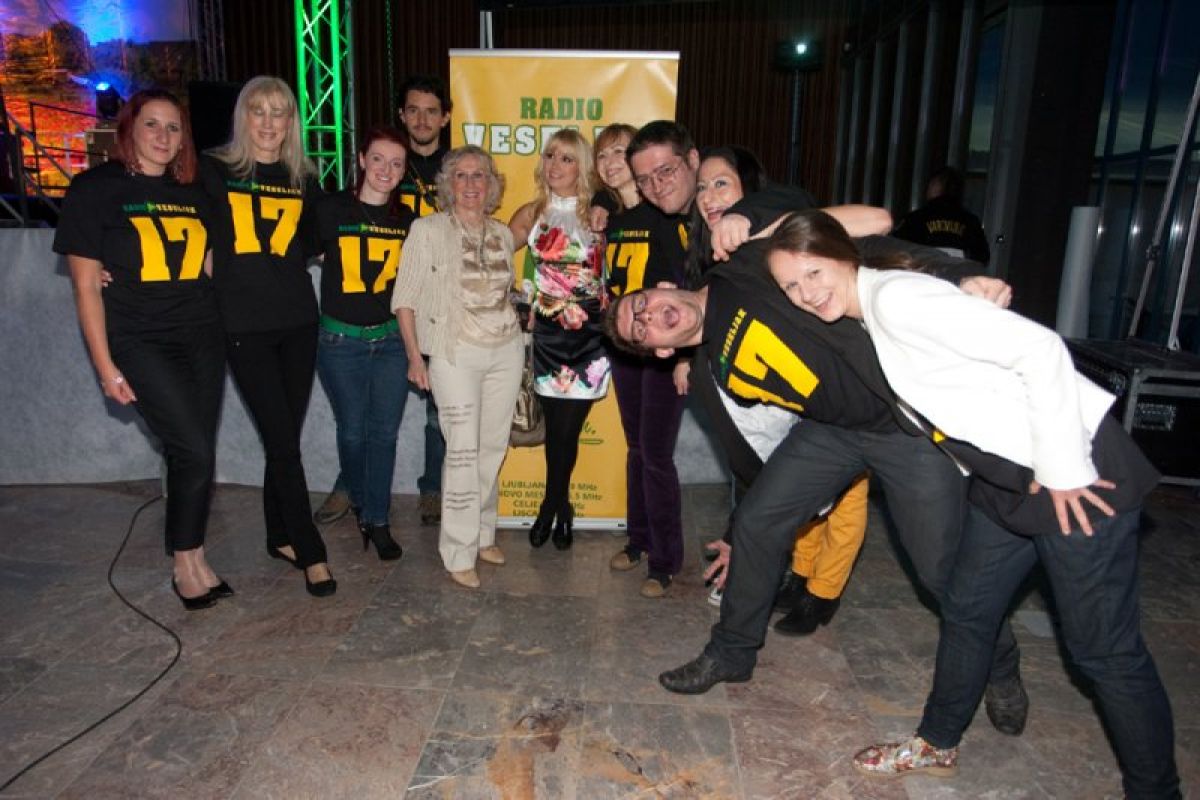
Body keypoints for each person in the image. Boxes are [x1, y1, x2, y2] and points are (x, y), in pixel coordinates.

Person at [765, 210, 1178, 797]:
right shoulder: (874, 312)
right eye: (791, 286)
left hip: (1075, 476)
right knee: (966, 607)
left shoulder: (897, 300)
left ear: (843, 254)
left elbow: (1040, 349)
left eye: (813, 272)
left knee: (1104, 653)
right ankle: (937, 741)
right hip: (1005, 481)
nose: (806, 293)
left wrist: (1063, 469)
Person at [604, 240, 1032, 738]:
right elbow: (745, 454)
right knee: (758, 522)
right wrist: (737, 534)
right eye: (642, 328)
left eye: (642, 304)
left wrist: (956, 275)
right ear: (661, 349)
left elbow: (855, 247)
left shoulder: (739, 270)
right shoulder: (708, 375)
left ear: (661, 287)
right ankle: (732, 652)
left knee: (941, 571)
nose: (650, 315)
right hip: (830, 432)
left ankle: (1001, 664)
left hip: (902, 425)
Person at [55, 89, 230, 610]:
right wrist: (105, 366)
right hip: (140, 339)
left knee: (194, 451)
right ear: (129, 128)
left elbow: (212, 264)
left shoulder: (195, 189)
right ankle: (183, 564)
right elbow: (86, 287)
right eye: (152, 124)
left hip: (202, 335)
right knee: (193, 449)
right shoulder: (95, 189)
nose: (163, 136)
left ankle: (194, 555)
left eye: (173, 128)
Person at [690, 145, 871, 633]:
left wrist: (748, 218)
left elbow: (803, 201)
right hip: (786, 395)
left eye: (722, 183)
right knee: (803, 495)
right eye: (702, 187)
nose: (709, 196)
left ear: (749, 188)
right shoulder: (714, 247)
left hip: (842, 382)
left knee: (848, 498)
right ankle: (802, 575)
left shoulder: (775, 229)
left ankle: (824, 593)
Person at [200, 75, 335, 597]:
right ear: (243, 116)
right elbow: (190, 237)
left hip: (299, 322)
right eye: (258, 111)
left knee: (284, 439)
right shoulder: (215, 171)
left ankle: (279, 534)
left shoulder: (304, 178)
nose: (269, 122)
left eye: (279, 112)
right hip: (245, 326)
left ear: (291, 122)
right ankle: (311, 550)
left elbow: (322, 240)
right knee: (281, 440)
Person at [313, 75, 453, 527]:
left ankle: (430, 488)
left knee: (433, 413)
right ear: (401, 115)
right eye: (413, 110)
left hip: (429, 308)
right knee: (357, 426)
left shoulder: (454, 171)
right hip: (370, 316)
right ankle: (351, 486)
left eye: (431, 111)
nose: (422, 119)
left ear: (446, 117)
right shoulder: (376, 173)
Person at [392, 145, 523, 589]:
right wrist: (415, 357)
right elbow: (404, 299)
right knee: (463, 451)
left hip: (506, 351)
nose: (470, 184)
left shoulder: (501, 234)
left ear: (492, 184)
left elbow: (504, 292)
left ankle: (484, 534)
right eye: (461, 176)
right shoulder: (426, 230)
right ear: (448, 184)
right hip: (454, 354)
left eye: (479, 175)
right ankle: (458, 551)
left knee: (492, 447)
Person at [313, 126, 415, 562]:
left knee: (384, 434)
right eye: (378, 159)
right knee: (353, 432)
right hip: (341, 342)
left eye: (396, 163)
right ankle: (358, 500)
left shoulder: (407, 220)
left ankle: (378, 519)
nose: (385, 170)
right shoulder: (331, 208)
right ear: (360, 160)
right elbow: (286, 254)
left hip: (390, 340)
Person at [595, 122, 688, 598]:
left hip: (664, 352)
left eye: (618, 152)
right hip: (624, 347)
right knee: (636, 448)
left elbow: (685, 287)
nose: (610, 162)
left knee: (655, 454)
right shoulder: (610, 217)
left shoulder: (664, 215)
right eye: (602, 155)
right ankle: (638, 540)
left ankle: (665, 560)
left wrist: (684, 357)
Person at [509, 129, 609, 552]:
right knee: (556, 431)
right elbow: (495, 252)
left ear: (582, 166)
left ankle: (552, 507)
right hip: (549, 335)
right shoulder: (532, 213)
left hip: (592, 336)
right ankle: (559, 507)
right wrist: (520, 300)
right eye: (550, 156)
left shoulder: (601, 215)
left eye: (567, 158)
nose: (555, 165)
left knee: (569, 429)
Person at [891, 166, 990, 264]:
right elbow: (983, 256)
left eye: (930, 184)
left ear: (936, 185)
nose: (927, 189)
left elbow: (896, 246)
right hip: (958, 272)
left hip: (923, 271)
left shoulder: (916, 218)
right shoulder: (971, 221)